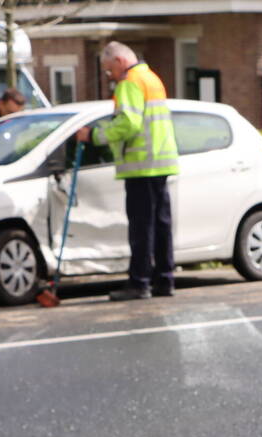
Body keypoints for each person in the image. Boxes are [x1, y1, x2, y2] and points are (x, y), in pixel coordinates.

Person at [76, 42, 179, 301]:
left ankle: (139, 282)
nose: (109, 75)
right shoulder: (152, 79)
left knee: (141, 227)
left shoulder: (130, 83)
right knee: (161, 225)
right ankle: (164, 280)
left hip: (141, 165)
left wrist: (95, 135)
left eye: (109, 69)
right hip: (160, 162)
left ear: (120, 61)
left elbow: (128, 124)